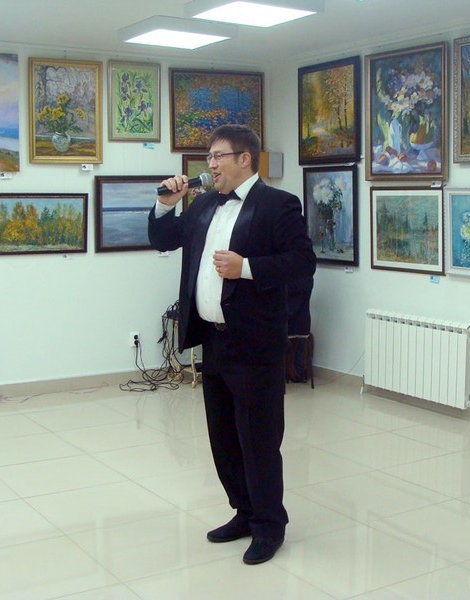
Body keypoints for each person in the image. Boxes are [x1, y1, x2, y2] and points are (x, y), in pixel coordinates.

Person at [148, 124, 316, 565]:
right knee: (223, 438)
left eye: (218, 156)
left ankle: (269, 526)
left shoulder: (278, 205)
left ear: (245, 159)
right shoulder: (204, 204)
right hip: (214, 342)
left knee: (258, 439)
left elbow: (302, 263)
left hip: (255, 345)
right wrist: (166, 204)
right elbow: (162, 239)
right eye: (209, 157)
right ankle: (243, 512)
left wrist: (247, 268)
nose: (211, 164)